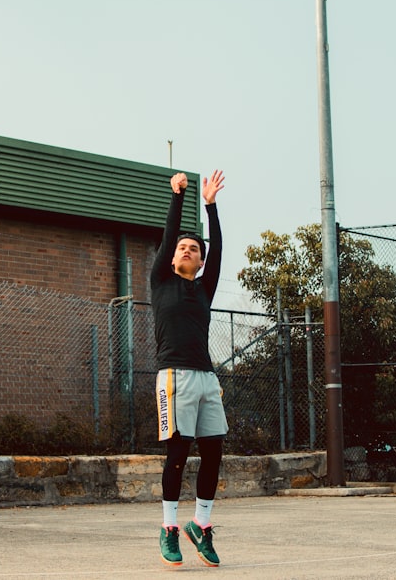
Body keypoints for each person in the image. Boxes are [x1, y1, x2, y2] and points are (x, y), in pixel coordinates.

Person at [151, 169, 227, 567]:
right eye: (182, 247)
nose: (186, 250)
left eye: (193, 249)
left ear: (199, 261)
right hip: (174, 376)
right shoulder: (161, 281)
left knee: (213, 451)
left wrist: (211, 207)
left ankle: (200, 524)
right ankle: (168, 528)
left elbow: (218, 251)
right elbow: (167, 239)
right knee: (177, 455)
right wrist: (178, 197)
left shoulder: (204, 287)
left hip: (206, 378)